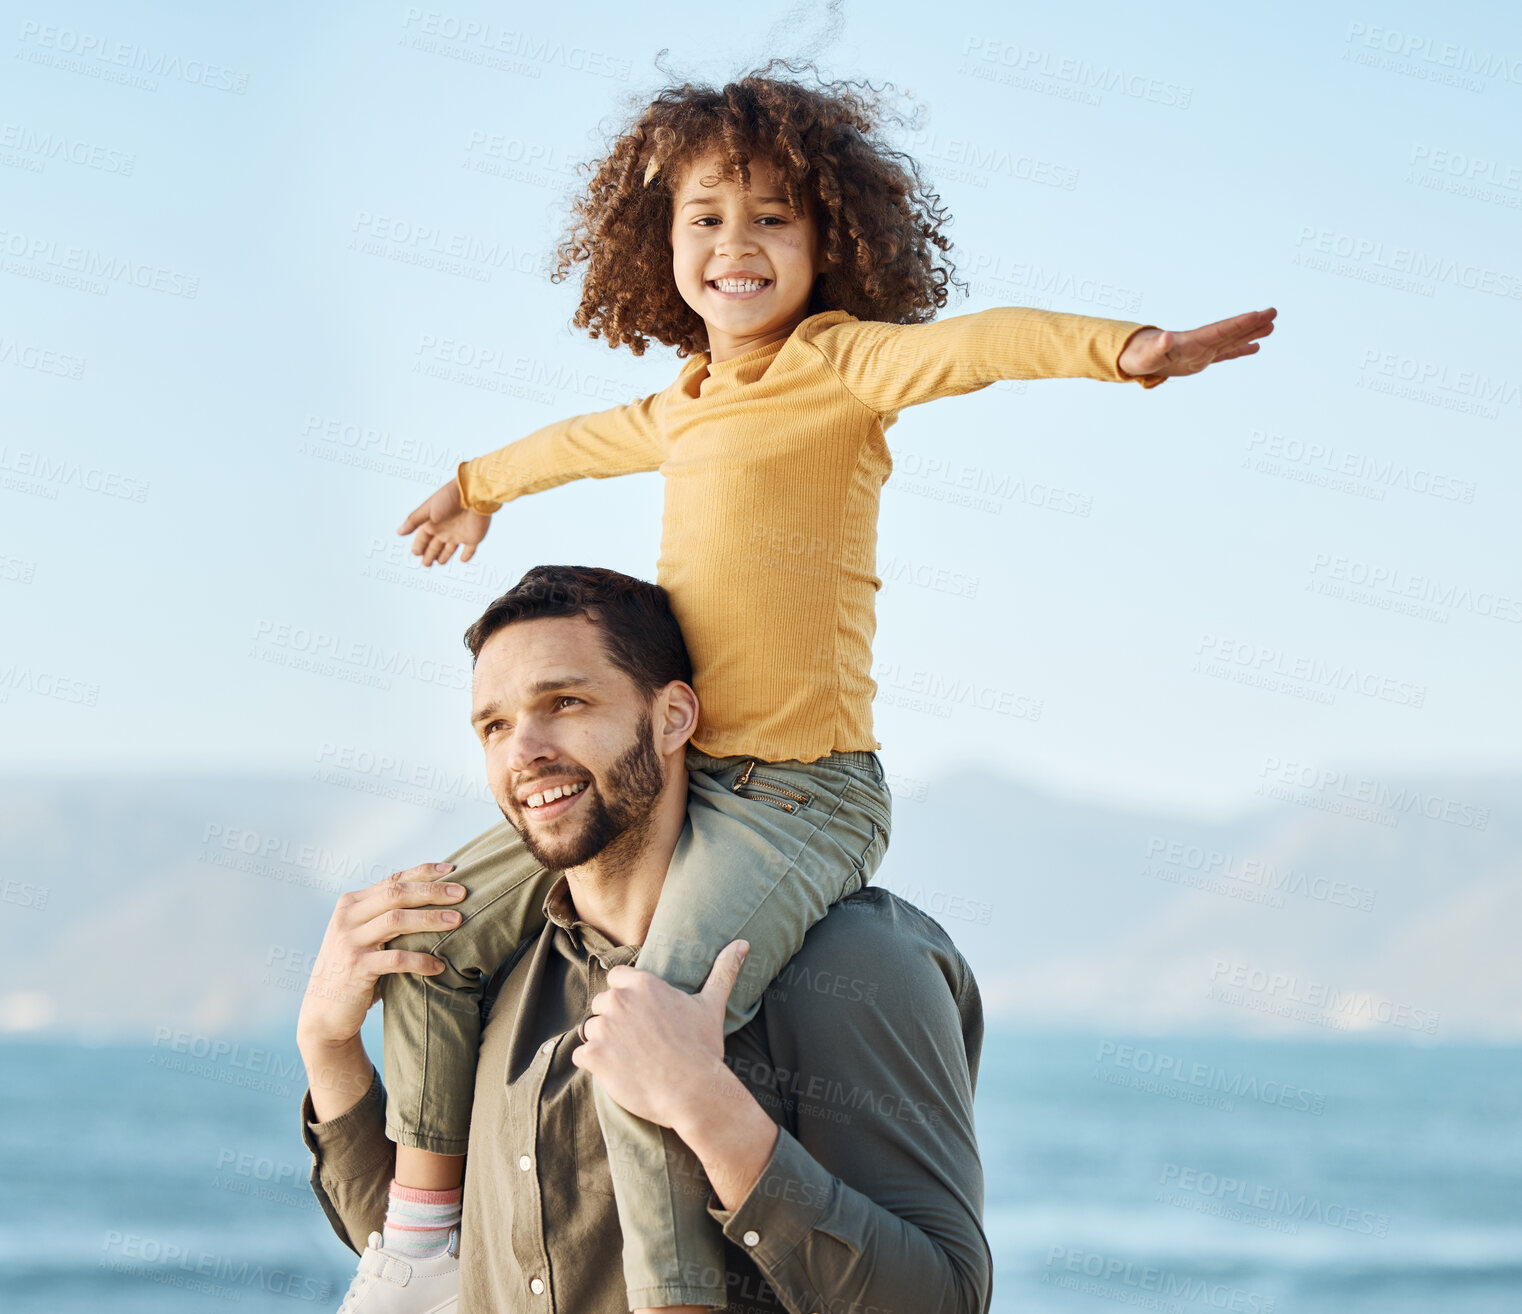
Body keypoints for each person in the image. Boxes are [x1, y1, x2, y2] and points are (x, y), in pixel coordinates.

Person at [376, 63, 1277, 1313]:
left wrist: (1122, 351)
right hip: (677, 775)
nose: (734, 245)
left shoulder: (843, 365)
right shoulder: (682, 402)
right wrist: (474, 484)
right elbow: (571, 444)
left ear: (829, 242)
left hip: (799, 797)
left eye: (772, 218)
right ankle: (416, 1237)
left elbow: (977, 347)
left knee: (648, 1033)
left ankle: (675, 1297)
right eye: (705, 217)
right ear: (662, 243)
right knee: (417, 930)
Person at [298, 566, 991, 1313]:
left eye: (563, 702)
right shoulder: (493, 977)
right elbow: (430, 1267)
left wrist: (708, 1108)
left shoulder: (855, 963)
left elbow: (943, 1299)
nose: (523, 751)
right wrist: (328, 1049)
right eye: (494, 726)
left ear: (672, 718)